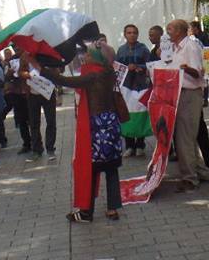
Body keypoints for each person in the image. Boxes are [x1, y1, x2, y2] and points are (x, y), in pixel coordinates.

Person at [31, 45, 124, 223]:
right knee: (111, 167)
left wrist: (39, 68)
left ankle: (85, 212)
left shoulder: (92, 75)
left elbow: (65, 81)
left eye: (88, 54)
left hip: (96, 125)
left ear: (97, 57)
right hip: (111, 123)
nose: (85, 57)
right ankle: (112, 209)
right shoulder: (108, 72)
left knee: (90, 168)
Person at [167, 19, 209, 191]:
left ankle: (189, 178)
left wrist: (185, 69)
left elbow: (199, 72)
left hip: (190, 93)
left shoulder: (190, 46)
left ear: (179, 31)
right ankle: (201, 171)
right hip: (180, 93)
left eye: (169, 29)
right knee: (187, 136)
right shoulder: (176, 48)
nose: (167, 32)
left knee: (184, 137)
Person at [116, 24, 153, 156]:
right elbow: (117, 67)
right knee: (126, 114)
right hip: (126, 88)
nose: (132, 35)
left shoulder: (143, 49)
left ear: (137, 34)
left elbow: (150, 66)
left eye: (134, 32)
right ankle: (129, 145)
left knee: (141, 113)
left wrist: (138, 66)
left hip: (140, 86)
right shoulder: (120, 50)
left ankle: (140, 145)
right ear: (124, 34)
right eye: (129, 32)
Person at [26, 47, 58, 163]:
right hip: (33, 94)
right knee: (34, 122)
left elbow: (59, 70)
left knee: (51, 120)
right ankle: (37, 149)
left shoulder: (48, 55)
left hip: (48, 93)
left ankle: (50, 149)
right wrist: (25, 74)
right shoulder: (25, 57)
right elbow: (20, 71)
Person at [1, 48, 32, 154]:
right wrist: (10, 72)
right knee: (21, 120)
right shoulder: (12, 60)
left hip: (29, 92)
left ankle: (36, 143)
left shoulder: (29, 56)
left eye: (19, 46)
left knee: (32, 120)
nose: (18, 48)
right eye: (16, 47)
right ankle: (26, 143)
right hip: (17, 93)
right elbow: (6, 78)